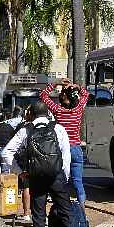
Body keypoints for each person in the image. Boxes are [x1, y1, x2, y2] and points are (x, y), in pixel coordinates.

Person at [1, 101, 71, 227]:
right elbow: (66, 156)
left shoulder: (26, 130)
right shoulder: (58, 129)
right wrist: (64, 177)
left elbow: (5, 153)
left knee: (39, 217)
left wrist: (20, 172)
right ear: (47, 113)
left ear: (31, 114)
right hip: (57, 176)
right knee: (66, 214)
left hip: (36, 177)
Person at [40, 78, 89, 206]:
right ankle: (82, 208)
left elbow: (43, 95)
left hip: (62, 150)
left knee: (62, 180)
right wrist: (76, 86)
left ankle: (63, 206)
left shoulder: (58, 111)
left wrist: (56, 83)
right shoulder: (78, 110)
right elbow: (86, 94)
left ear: (61, 98)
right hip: (76, 149)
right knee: (78, 181)